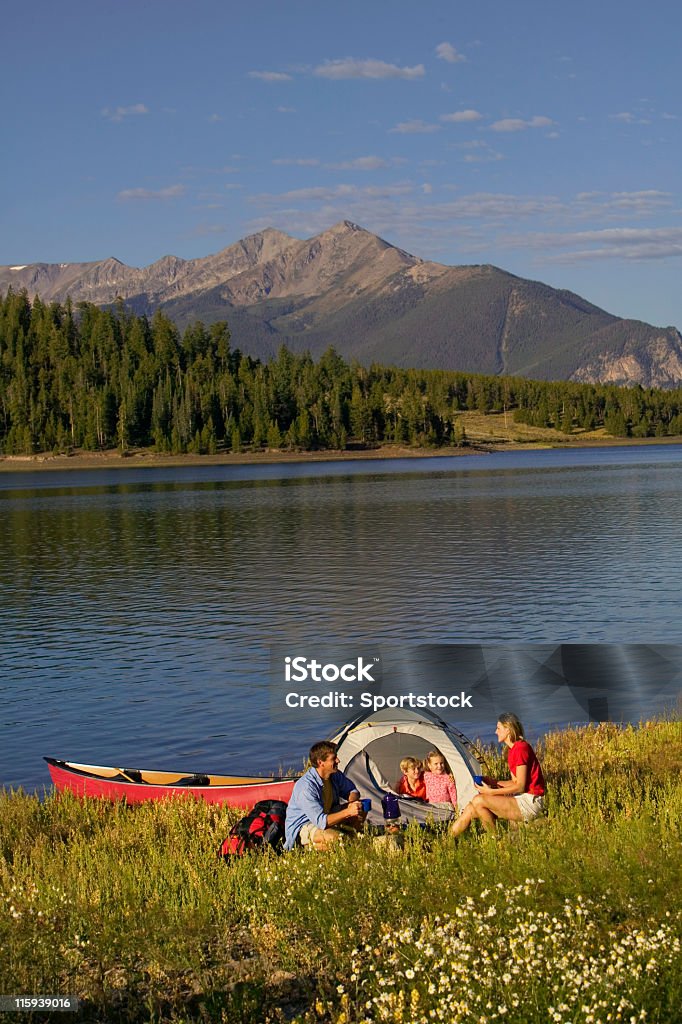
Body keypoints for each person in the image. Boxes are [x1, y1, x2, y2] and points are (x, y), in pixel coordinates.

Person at [450, 713, 546, 838]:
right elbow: (515, 782)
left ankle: (495, 840)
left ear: (508, 729)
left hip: (530, 802)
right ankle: (447, 840)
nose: (496, 732)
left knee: (479, 800)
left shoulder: (521, 748)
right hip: (520, 798)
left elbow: (521, 786)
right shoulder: (512, 750)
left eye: (499, 728)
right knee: (470, 808)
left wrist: (490, 792)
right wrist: (494, 782)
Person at [284, 740, 365, 851]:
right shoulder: (306, 787)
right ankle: (304, 848)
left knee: (362, 807)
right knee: (336, 839)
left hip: (327, 814)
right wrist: (348, 812)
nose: (338, 761)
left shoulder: (334, 775)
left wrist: (352, 804)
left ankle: (354, 838)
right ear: (320, 762)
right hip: (305, 825)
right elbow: (321, 821)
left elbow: (353, 791)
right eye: (333, 759)